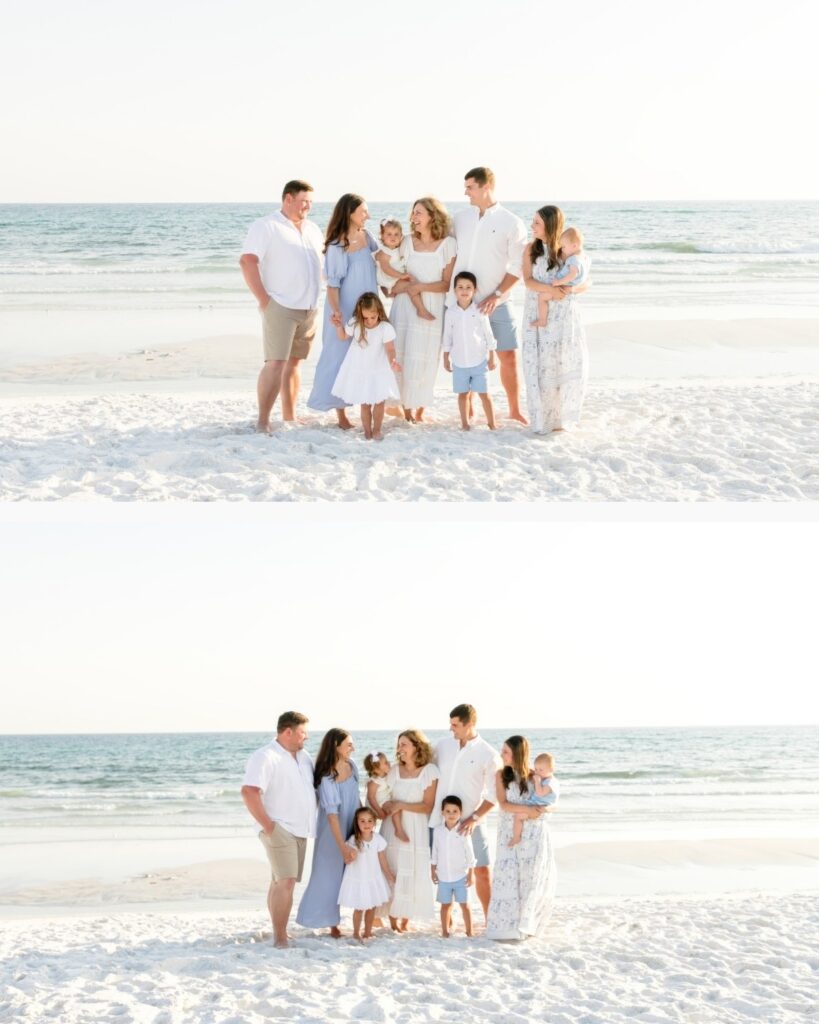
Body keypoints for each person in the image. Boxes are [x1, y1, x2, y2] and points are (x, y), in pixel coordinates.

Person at [239, 181, 324, 433]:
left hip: (309, 307)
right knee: (275, 363)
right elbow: (247, 261)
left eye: (310, 201)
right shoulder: (267, 226)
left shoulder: (313, 229)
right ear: (288, 199)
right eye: (303, 200)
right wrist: (264, 300)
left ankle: (289, 417)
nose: (308, 205)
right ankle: (263, 421)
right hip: (281, 305)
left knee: (294, 364)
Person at [450, 167, 528, 424]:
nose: (465, 192)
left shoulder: (511, 222)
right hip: (462, 302)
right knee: (464, 354)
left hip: (498, 300)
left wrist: (496, 295)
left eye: (470, 187)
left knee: (507, 354)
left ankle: (515, 409)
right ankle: (469, 407)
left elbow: (518, 267)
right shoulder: (460, 219)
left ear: (486, 187)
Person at [240, 711, 316, 948]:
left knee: (279, 882)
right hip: (279, 828)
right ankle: (280, 937)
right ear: (288, 732)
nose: (307, 737)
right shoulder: (266, 756)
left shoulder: (304, 757)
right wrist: (270, 827)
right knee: (286, 882)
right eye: (303, 732)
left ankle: (279, 930)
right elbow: (249, 791)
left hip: (300, 829)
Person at [307, 194, 379, 429]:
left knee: (369, 356)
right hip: (345, 308)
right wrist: (337, 313)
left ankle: (369, 406)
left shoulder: (368, 237)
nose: (367, 215)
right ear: (350, 213)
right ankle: (341, 415)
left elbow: (383, 265)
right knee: (339, 357)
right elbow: (333, 285)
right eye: (363, 211)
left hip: (369, 308)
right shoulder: (338, 245)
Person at [522, 207, 590, 434]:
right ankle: (543, 419)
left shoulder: (567, 250)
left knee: (563, 363)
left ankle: (562, 419)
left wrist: (567, 291)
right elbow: (528, 281)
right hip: (538, 312)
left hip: (564, 316)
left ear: (551, 226)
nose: (532, 227)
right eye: (533, 222)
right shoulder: (531, 249)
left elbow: (586, 281)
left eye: (537, 223)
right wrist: (550, 289)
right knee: (541, 367)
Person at [388, 198, 457, 423]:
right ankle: (404, 409)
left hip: (433, 307)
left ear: (432, 216)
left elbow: (447, 284)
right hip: (404, 307)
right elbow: (394, 276)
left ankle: (418, 409)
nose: (413, 218)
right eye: (413, 213)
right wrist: (406, 287)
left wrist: (421, 287)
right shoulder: (406, 242)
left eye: (418, 213)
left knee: (425, 357)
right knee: (401, 355)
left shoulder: (448, 245)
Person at [431, 703, 500, 922]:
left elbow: (494, 794)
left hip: (472, 822)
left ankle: (490, 919)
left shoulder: (488, 754)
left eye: (455, 725)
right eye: (450, 724)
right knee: (442, 868)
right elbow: (422, 767)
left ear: (470, 724)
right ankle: (447, 921)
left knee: (481, 869)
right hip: (440, 820)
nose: (451, 729)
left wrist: (475, 817)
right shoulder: (442, 746)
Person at [486, 736, 556, 942]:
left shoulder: (536, 776)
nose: (501, 755)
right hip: (509, 831)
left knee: (529, 877)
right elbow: (504, 804)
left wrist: (540, 811)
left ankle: (527, 924)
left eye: (506, 752)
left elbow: (550, 801)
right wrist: (527, 809)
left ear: (518, 753)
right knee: (508, 875)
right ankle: (506, 926)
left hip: (532, 832)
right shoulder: (501, 775)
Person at [295, 728, 360, 938]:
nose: (353, 748)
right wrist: (342, 846)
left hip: (352, 827)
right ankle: (329, 922)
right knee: (327, 876)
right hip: (332, 833)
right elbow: (332, 814)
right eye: (349, 744)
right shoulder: (326, 775)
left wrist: (364, 826)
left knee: (350, 875)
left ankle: (362, 916)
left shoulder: (352, 766)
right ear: (336, 746)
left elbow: (357, 799)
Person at [380, 729, 439, 931]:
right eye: (399, 744)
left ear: (416, 746)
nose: (400, 749)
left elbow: (427, 806)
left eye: (404, 744)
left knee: (412, 870)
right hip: (392, 827)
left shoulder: (429, 771)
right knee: (392, 868)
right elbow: (385, 799)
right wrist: (393, 808)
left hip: (416, 827)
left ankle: (405, 919)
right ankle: (392, 919)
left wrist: (401, 805)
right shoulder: (394, 770)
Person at [331, 292, 402, 441]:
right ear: (359, 314)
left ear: (379, 313)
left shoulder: (385, 328)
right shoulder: (355, 324)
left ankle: (377, 429)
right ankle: (367, 431)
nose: (369, 321)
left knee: (379, 402)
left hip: (379, 369)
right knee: (364, 403)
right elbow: (343, 336)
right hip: (361, 369)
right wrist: (338, 326)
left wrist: (393, 361)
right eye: (365, 318)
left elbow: (390, 349)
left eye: (372, 317)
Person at [442, 271, 497, 431]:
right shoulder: (451, 312)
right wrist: (446, 357)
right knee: (463, 394)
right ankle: (465, 423)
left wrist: (492, 356)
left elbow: (488, 334)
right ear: (454, 290)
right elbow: (447, 336)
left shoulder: (480, 310)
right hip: (459, 362)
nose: (464, 290)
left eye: (468, 287)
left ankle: (492, 423)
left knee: (484, 394)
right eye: (460, 287)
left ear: (474, 290)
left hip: (479, 361)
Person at [338, 806, 396, 942]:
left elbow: (383, 860)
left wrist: (389, 875)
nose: (366, 824)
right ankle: (356, 933)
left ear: (375, 823)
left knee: (372, 907)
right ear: (357, 822)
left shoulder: (378, 840)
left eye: (370, 821)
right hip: (359, 878)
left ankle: (368, 932)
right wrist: (351, 854)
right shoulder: (353, 840)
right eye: (362, 821)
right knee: (359, 908)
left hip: (373, 878)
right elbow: (347, 860)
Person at [430, 795, 476, 938]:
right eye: (448, 811)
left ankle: (470, 931)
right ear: (442, 812)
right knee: (445, 906)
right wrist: (433, 870)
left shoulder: (463, 830)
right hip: (443, 876)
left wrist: (471, 873)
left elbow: (470, 854)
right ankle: (445, 931)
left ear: (460, 813)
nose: (451, 814)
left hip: (461, 876)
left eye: (455, 811)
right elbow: (435, 851)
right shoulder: (438, 831)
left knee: (465, 905)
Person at [529, 227, 590, 328]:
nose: (562, 249)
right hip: (569, 289)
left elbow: (572, 274)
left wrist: (559, 282)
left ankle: (542, 320)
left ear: (574, 246)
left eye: (564, 247)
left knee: (541, 298)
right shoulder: (585, 258)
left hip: (563, 286)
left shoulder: (573, 259)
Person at [374, 219, 428, 321]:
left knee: (413, 284)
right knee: (412, 286)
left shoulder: (397, 249)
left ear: (401, 236)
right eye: (389, 234)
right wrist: (401, 275)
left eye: (396, 234)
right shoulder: (383, 252)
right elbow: (386, 269)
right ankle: (421, 310)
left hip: (394, 279)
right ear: (382, 236)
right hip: (389, 280)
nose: (393, 237)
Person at [509, 752, 559, 847]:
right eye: (536, 769)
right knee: (515, 810)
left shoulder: (551, 782)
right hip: (534, 803)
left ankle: (516, 837)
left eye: (541, 770)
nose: (538, 772)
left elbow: (540, 792)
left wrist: (537, 781)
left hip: (538, 807)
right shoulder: (545, 778)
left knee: (518, 816)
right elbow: (534, 773)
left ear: (551, 770)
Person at [363, 750, 408, 841]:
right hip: (378, 804)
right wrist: (379, 812)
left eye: (387, 761)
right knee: (395, 808)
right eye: (385, 763)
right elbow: (370, 798)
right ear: (376, 769)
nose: (388, 763)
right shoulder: (374, 781)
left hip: (385, 801)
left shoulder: (386, 775)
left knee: (397, 806)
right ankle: (398, 830)